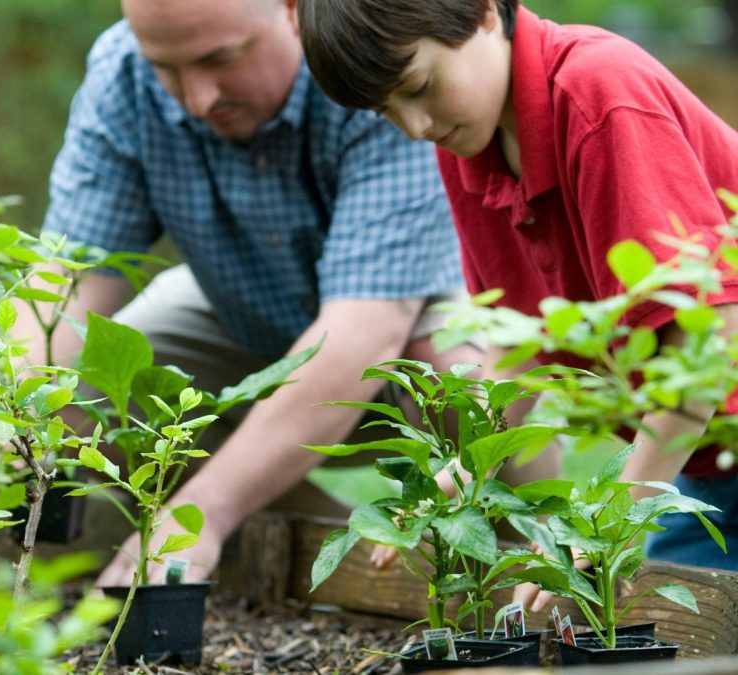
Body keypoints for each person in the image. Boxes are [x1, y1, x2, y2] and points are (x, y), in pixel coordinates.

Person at [14, 0, 481, 587]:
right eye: (169, 67)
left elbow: (362, 332)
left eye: (221, 60)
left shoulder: (369, 60)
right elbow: (65, 280)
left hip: (408, 315)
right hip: (236, 309)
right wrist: (7, 408)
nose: (197, 98)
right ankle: (279, 552)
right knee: (92, 379)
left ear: (292, 9)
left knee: (473, 393)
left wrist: (198, 516)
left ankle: (508, 579)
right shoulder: (124, 73)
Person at [297, 0, 738, 597]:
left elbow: (707, 336)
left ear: (482, 13)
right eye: (386, 111)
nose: (416, 126)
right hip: (705, 465)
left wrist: (600, 523)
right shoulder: (468, 144)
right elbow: (518, 345)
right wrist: (454, 477)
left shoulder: (597, 92)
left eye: (420, 86)